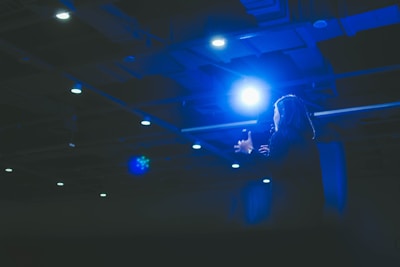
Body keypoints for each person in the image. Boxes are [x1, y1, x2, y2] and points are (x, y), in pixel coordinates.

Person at [234, 94, 325, 229]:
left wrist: (249, 150)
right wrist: (271, 155)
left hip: (289, 207)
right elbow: (290, 166)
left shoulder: (281, 135)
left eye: (275, 112)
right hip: (312, 206)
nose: (273, 117)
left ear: (283, 114)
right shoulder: (308, 142)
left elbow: (275, 169)